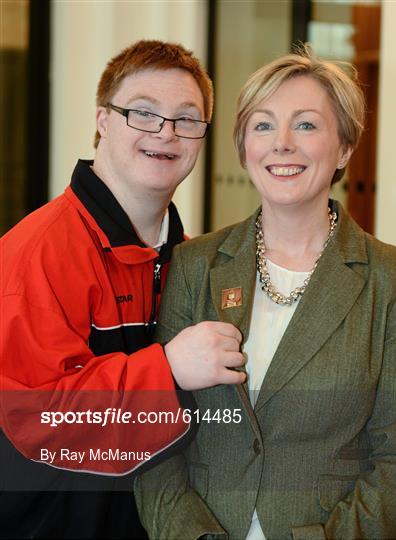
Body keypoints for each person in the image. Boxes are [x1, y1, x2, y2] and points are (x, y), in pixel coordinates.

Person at [136, 46, 396, 539]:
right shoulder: (195, 265)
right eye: (262, 125)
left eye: (305, 125)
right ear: (244, 149)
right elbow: (156, 433)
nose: (281, 143)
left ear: (344, 147)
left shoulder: (390, 280)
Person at [0, 40, 245, 539]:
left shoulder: (192, 260)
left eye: (187, 118)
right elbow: (40, 423)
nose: (166, 132)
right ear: (102, 121)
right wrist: (169, 369)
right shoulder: (37, 253)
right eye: (143, 113)